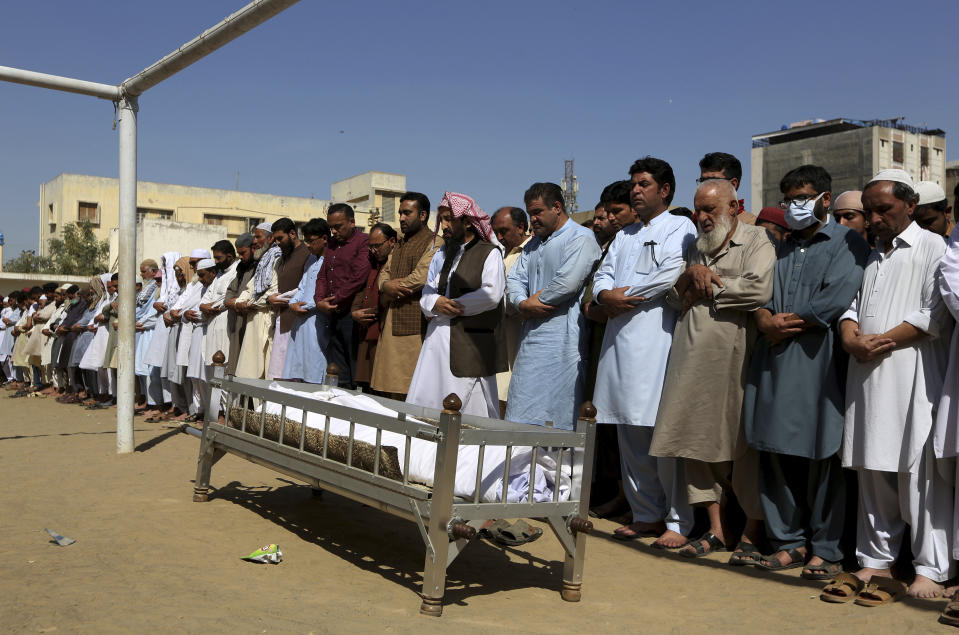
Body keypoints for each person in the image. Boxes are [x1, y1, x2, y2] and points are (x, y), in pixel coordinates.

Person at [743, 165, 870, 577]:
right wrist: (763, 317)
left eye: (803, 197)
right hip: (773, 360)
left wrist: (786, 321)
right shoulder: (776, 244)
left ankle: (827, 549)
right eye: (790, 199)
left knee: (823, 451)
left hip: (819, 360)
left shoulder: (846, 241)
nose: (796, 207)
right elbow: (757, 288)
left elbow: (837, 296)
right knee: (773, 449)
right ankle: (788, 542)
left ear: (825, 199)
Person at [838, 169, 954, 598]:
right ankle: (875, 562)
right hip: (868, 376)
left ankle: (930, 569)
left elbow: (932, 316)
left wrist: (880, 341)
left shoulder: (932, 247)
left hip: (913, 377)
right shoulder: (875, 253)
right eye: (869, 212)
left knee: (920, 475)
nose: (874, 219)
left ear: (909, 205)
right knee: (872, 469)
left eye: (883, 209)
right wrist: (851, 336)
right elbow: (852, 306)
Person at [650, 178, 776, 559]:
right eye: (698, 210)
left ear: (735, 207)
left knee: (739, 446)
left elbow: (758, 290)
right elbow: (674, 299)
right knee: (692, 443)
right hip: (688, 358)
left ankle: (752, 531)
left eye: (711, 210)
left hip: (733, 360)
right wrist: (689, 276)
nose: (702, 218)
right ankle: (716, 529)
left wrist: (710, 285)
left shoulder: (756, 240)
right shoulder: (694, 246)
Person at [594, 159, 696, 546]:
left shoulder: (680, 227)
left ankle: (677, 521)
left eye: (643, 184)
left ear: (665, 190)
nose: (635, 190)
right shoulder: (624, 234)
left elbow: (671, 272)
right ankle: (646, 513)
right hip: (619, 340)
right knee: (628, 432)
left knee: (660, 433)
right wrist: (605, 294)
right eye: (633, 184)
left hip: (655, 338)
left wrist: (625, 296)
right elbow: (603, 274)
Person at [505, 182, 601, 430]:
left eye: (537, 212)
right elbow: (514, 279)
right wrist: (522, 304)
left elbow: (568, 283)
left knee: (557, 416)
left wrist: (536, 302)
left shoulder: (581, 238)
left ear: (557, 207)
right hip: (530, 341)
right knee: (521, 413)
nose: (532, 219)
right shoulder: (534, 245)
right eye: (529, 213)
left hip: (563, 342)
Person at [407, 192, 506, 416]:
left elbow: (492, 294)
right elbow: (427, 291)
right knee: (429, 402)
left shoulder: (489, 253)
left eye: (449, 219)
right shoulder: (441, 254)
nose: (443, 225)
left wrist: (453, 306)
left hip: (470, 343)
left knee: (469, 408)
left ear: (468, 221)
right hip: (436, 341)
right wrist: (434, 302)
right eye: (441, 219)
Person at [371, 192, 442, 398]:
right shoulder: (400, 243)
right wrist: (385, 286)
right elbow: (384, 271)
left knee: (410, 390)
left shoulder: (435, 242)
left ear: (422, 215)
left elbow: (421, 276)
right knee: (390, 390)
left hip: (415, 324)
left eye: (407, 213)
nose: (401, 218)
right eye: (400, 213)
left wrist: (392, 288)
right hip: (391, 319)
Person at [313, 204, 370, 389]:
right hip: (332, 314)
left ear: (352, 222)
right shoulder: (331, 244)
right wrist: (319, 301)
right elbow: (323, 275)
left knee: (354, 366)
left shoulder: (363, 242)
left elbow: (358, 276)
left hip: (350, 312)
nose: (334, 231)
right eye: (331, 227)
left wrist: (335, 300)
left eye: (338, 226)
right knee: (338, 369)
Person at [491, 206, 531, 411]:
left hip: (517, 338)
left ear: (521, 227)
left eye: (504, 231)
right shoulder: (498, 255)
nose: (499, 237)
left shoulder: (532, 252)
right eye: (496, 232)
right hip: (497, 339)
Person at [283, 218, 331, 384]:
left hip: (318, 319)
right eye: (306, 241)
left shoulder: (332, 260)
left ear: (324, 238)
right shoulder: (310, 259)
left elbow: (327, 294)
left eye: (311, 241)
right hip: (300, 318)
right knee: (297, 368)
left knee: (315, 365)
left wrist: (307, 306)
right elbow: (303, 286)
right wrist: (292, 304)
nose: (308, 246)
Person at [351, 222, 396, 390]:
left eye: (378, 245)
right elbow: (361, 290)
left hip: (383, 331)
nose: (374, 250)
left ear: (392, 242)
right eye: (371, 246)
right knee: (367, 385)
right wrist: (355, 312)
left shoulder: (394, 264)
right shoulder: (372, 264)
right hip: (366, 331)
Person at [265, 218, 311, 379]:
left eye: (280, 238)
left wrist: (282, 298)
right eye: (275, 239)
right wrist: (270, 298)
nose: (277, 243)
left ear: (292, 233)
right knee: (279, 374)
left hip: (298, 319)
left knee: (294, 375)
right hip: (281, 319)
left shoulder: (307, 254)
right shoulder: (283, 257)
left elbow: (306, 287)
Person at [234, 231, 280, 380]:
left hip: (268, 316)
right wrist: (239, 303)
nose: (254, 241)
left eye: (258, 237)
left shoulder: (277, 257)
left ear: (270, 238)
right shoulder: (262, 260)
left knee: (267, 369)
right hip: (254, 316)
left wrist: (250, 304)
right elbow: (250, 288)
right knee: (250, 370)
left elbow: (275, 290)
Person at [199, 240, 239, 387]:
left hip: (226, 323)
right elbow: (205, 299)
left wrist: (211, 307)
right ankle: (217, 409)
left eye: (218, 258)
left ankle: (226, 409)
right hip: (212, 324)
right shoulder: (218, 275)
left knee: (226, 367)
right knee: (213, 369)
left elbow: (227, 298)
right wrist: (204, 306)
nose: (215, 262)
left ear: (229, 256)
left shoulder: (236, 271)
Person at [223, 234, 256, 376]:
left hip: (251, 319)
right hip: (238, 320)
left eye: (243, 253)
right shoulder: (241, 268)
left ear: (253, 248)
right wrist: (234, 302)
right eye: (239, 253)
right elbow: (229, 294)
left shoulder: (258, 267)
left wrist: (235, 302)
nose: (240, 257)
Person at [699, 151, 755, 224]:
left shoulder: (753, 226)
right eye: (702, 181)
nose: (705, 187)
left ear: (733, 184)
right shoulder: (693, 223)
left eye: (712, 181)